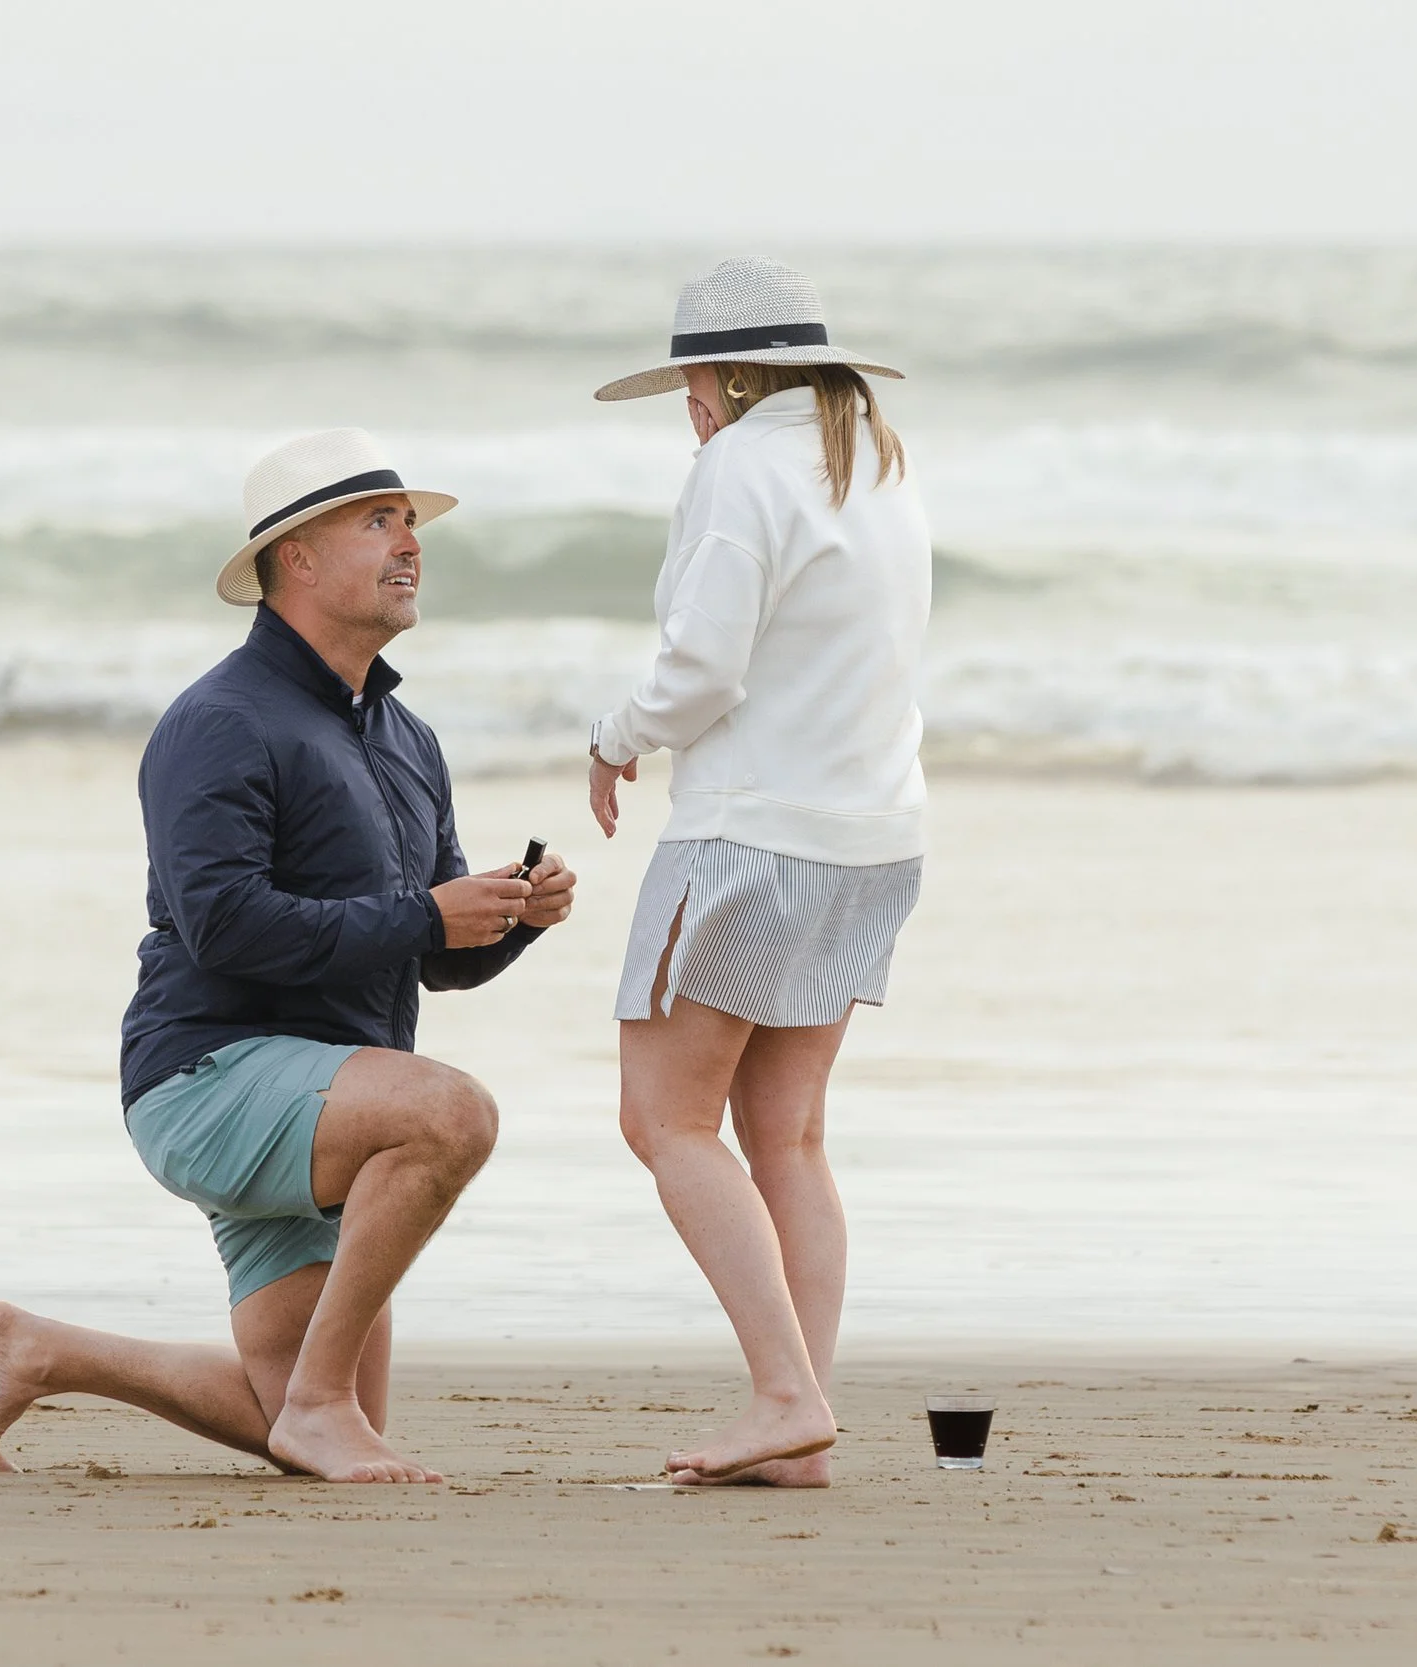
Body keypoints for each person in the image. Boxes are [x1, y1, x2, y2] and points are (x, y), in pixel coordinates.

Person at [0, 428, 576, 1484]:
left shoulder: (408, 739)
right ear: (296, 557)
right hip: (209, 1076)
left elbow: (434, 957)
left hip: (332, 1105)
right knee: (453, 1113)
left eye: (410, 523)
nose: (410, 543)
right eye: (378, 522)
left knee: (289, 1412)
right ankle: (321, 1399)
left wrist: (513, 918)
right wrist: (427, 915)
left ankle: (40, 1349)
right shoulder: (219, 720)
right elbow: (226, 925)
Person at [587, 259, 929, 1487]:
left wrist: (614, 735)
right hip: (873, 836)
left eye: (691, 382)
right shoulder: (873, 461)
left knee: (664, 1118)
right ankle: (800, 1418)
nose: (685, 406)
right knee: (787, 1133)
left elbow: (704, 667)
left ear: (734, 379)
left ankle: (785, 1395)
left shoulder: (738, 465)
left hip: (749, 838)